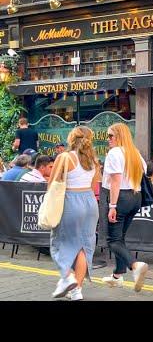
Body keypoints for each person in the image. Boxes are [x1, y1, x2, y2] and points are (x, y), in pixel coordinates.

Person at [47, 126, 101, 300]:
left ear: (71, 138)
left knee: (61, 243)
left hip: (71, 200)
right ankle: (76, 290)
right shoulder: (94, 159)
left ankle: (67, 278)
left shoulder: (65, 157)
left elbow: (52, 183)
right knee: (84, 246)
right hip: (90, 202)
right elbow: (94, 186)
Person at [101, 123, 149, 291]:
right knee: (119, 237)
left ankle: (135, 265)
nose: (108, 139)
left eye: (110, 136)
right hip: (136, 196)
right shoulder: (134, 153)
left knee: (112, 240)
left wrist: (112, 205)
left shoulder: (114, 153)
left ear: (119, 137)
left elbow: (115, 180)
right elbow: (145, 171)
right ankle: (117, 275)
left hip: (120, 197)